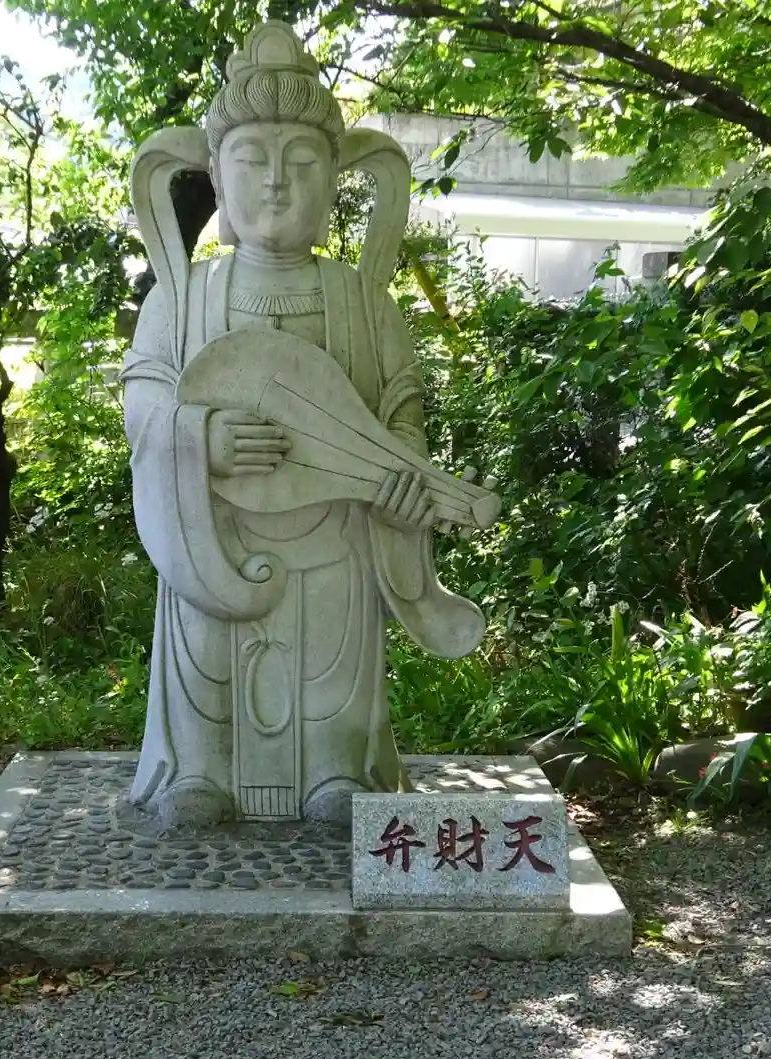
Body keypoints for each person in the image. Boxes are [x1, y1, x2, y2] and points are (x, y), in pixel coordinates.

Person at [122, 21, 487, 828]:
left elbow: (400, 411)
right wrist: (200, 437)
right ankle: (201, 768)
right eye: (252, 160)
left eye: (303, 162)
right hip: (215, 534)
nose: (277, 184)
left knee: (332, 649)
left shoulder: (364, 302)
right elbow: (144, 408)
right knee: (205, 643)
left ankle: (336, 763)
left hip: (335, 538)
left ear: (338, 180)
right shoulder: (181, 300)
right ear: (215, 178)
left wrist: (402, 478)